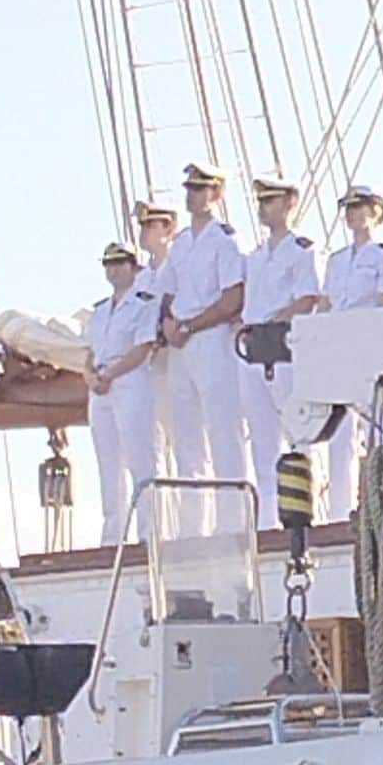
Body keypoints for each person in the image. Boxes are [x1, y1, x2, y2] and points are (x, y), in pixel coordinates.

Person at [160, 161, 248, 535]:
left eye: (200, 188)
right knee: (187, 437)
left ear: (216, 194)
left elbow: (232, 298)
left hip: (211, 338)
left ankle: (233, 523)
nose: (192, 195)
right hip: (181, 344)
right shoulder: (180, 244)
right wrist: (167, 324)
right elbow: (167, 291)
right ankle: (193, 526)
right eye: (189, 188)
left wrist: (190, 325)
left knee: (223, 430)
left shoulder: (225, 241)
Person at [240, 176, 321, 529]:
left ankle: (304, 508)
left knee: (297, 431)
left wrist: (277, 319)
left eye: (271, 200)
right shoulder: (255, 257)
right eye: (261, 201)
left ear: (289, 203)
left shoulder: (302, 250)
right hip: (253, 346)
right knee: (261, 434)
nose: (263, 207)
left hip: (285, 344)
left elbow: (307, 299)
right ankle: (268, 517)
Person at [320, 185, 383, 520]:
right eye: (348, 208)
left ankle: (379, 499)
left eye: (359, 207)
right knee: (340, 435)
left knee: (376, 430)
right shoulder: (337, 261)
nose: (352, 214)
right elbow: (327, 304)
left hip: (369, 349)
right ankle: (338, 507)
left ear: (375, 212)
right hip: (339, 351)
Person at [84, 242, 159, 545]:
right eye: (108, 264)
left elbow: (142, 348)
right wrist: (90, 376)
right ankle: (112, 536)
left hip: (129, 379)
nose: (113, 270)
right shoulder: (100, 310)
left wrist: (110, 375)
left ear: (133, 267)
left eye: (119, 263)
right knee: (108, 462)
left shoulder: (144, 304)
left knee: (140, 457)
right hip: (101, 386)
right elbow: (89, 352)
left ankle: (148, 531)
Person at [132, 200, 178, 470]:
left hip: (177, 358)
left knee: (185, 439)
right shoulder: (142, 278)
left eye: (151, 224)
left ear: (169, 228)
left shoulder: (179, 268)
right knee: (149, 447)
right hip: (150, 364)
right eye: (143, 225)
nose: (144, 232)